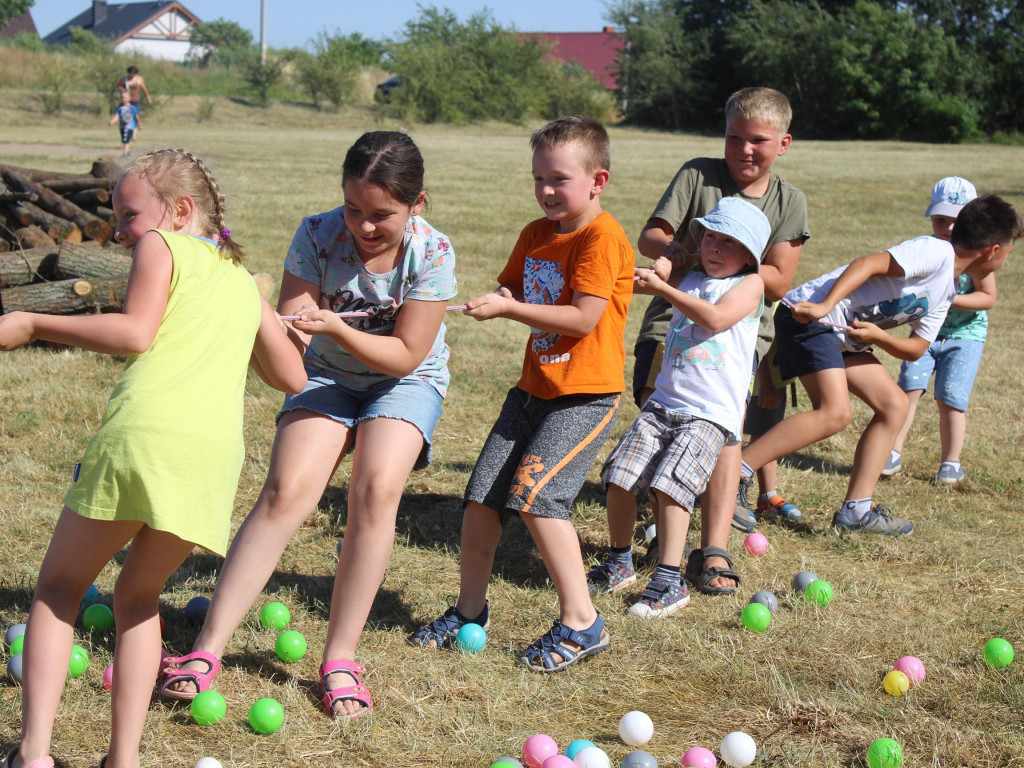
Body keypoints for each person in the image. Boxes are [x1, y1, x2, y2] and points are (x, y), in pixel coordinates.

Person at [0, 149, 308, 768]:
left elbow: (136, 332)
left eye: (128, 216)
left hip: (143, 440)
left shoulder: (162, 247)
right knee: (137, 599)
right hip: (208, 464)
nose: (118, 230)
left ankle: (33, 756)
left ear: (181, 210)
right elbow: (293, 377)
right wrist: (264, 321)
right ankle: (125, 759)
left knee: (59, 588)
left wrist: (33, 322)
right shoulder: (242, 284)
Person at [159, 131, 458, 719]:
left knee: (375, 491)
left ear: (417, 204)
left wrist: (340, 329)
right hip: (326, 374)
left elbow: (404, 354)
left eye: (382, 215)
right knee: (286, 491)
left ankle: (340, 657)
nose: (364, 227)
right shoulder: (316, 233)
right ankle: (207, 648)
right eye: (353, 209)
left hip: (405, 379)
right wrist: (277, 331)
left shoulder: (435, 253)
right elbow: (296, 334)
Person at [410, 115, 633, 671]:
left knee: (537, 497)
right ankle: (468, 611)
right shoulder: (536, 233)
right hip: (533, 390)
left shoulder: (603, 239)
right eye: (538, 179)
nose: (546, 191)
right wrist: (493, 297)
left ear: (597, 181)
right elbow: (513, 284)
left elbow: (583, 319)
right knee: (483, 496)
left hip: (584, 396)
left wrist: (509, 308)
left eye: (558, 179)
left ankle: (583, 622)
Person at [610, 86, 808, 597]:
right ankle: (661, 537)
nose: (745, 150)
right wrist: (681, 251)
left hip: (739, 339)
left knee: (722, 437)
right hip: (672, 325)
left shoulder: (789, 202)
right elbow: (652, 236)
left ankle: (712, 547)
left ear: (783, 144)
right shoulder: (698, 174)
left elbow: (780, 278)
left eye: (759, 141)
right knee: (663, 424)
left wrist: (715, 257)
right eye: (734, 138)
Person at [739, 194, 1022, 536]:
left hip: (844, 336)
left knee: (895, 405)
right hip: (810, 315)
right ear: (993, 250)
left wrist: (879, 337)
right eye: (1008, 252)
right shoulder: (936, 252)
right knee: (835, 412)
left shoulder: (946, 291)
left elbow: (916, 347)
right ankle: (735, 472)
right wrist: (825, 305)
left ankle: (856, 511)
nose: (1004, 261)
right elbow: (868, 263)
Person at [601, 197, 767, 618]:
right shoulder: (689, 273)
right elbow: (658, 273)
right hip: (663, 402)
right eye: (710, 236)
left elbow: (714, 319)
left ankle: (669, 581)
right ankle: (620, 561)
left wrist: (666, 286)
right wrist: (665, 264)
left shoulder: (750, 285)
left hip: (710, 413)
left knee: (670, 486)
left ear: (749, 254)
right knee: (620, 477)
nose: (713, 247)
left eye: (727, 242)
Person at [885, 177, 994, 484]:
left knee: (951, 398)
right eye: (940, 220)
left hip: (964, 337)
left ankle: (950, 462)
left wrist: (950, 296)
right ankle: (891, 453)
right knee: (907, 389)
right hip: (925, 334)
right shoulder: (928, 250)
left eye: (955, 222)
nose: (947, 228)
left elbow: (988, 297)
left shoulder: (976, 255)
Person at [109, 91, 140, 157]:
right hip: (122, 126)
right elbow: (116, 116)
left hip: (129, 126)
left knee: (126, 139)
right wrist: (112, 122)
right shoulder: (120, 108)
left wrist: (139, 124)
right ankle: (128, 152)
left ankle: (124, 153)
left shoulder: (132, 108)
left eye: (125, 98)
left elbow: (137, 117)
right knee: (124, 140)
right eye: (122, 98)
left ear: (129, 98)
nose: (123, 99)